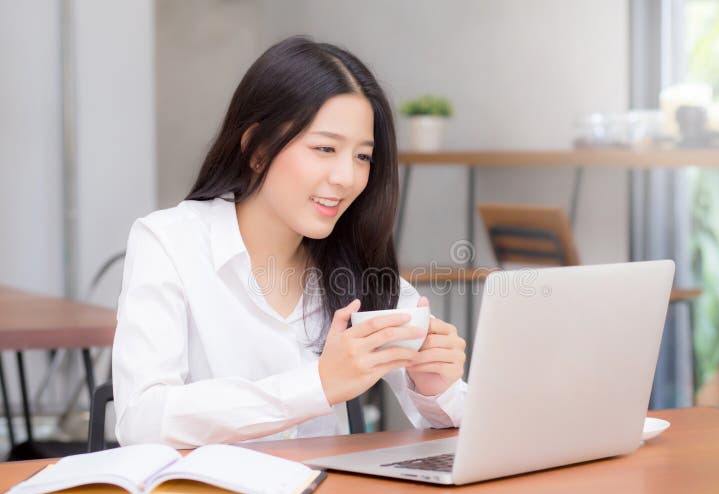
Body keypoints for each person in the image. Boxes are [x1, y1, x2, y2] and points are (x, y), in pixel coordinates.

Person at [112, 36, 468, 448]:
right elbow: (141, 422)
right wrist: (316, 385)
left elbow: (463, 425)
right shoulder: (169, 242)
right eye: (325, 148)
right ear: (257, 149)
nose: (346, 178)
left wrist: (434, 389)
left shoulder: (355, 261)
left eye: (362, 156)